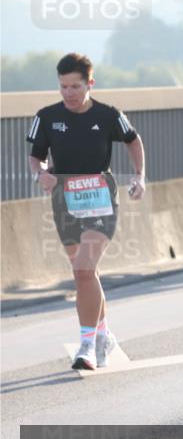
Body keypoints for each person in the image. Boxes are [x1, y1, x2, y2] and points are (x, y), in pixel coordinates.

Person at [26, 53, 147, 370]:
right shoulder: (47, 116)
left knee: (82, 270)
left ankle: (87, 345)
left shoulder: (109, 115)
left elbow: (133, 141)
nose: (69, 93)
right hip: (64, 201)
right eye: (63, 86)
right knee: (85, 274)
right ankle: (104, 333)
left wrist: (139, 176)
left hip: (101, 200)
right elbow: (36, 157)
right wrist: (40, 174)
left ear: (90, 84)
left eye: (75, 86)